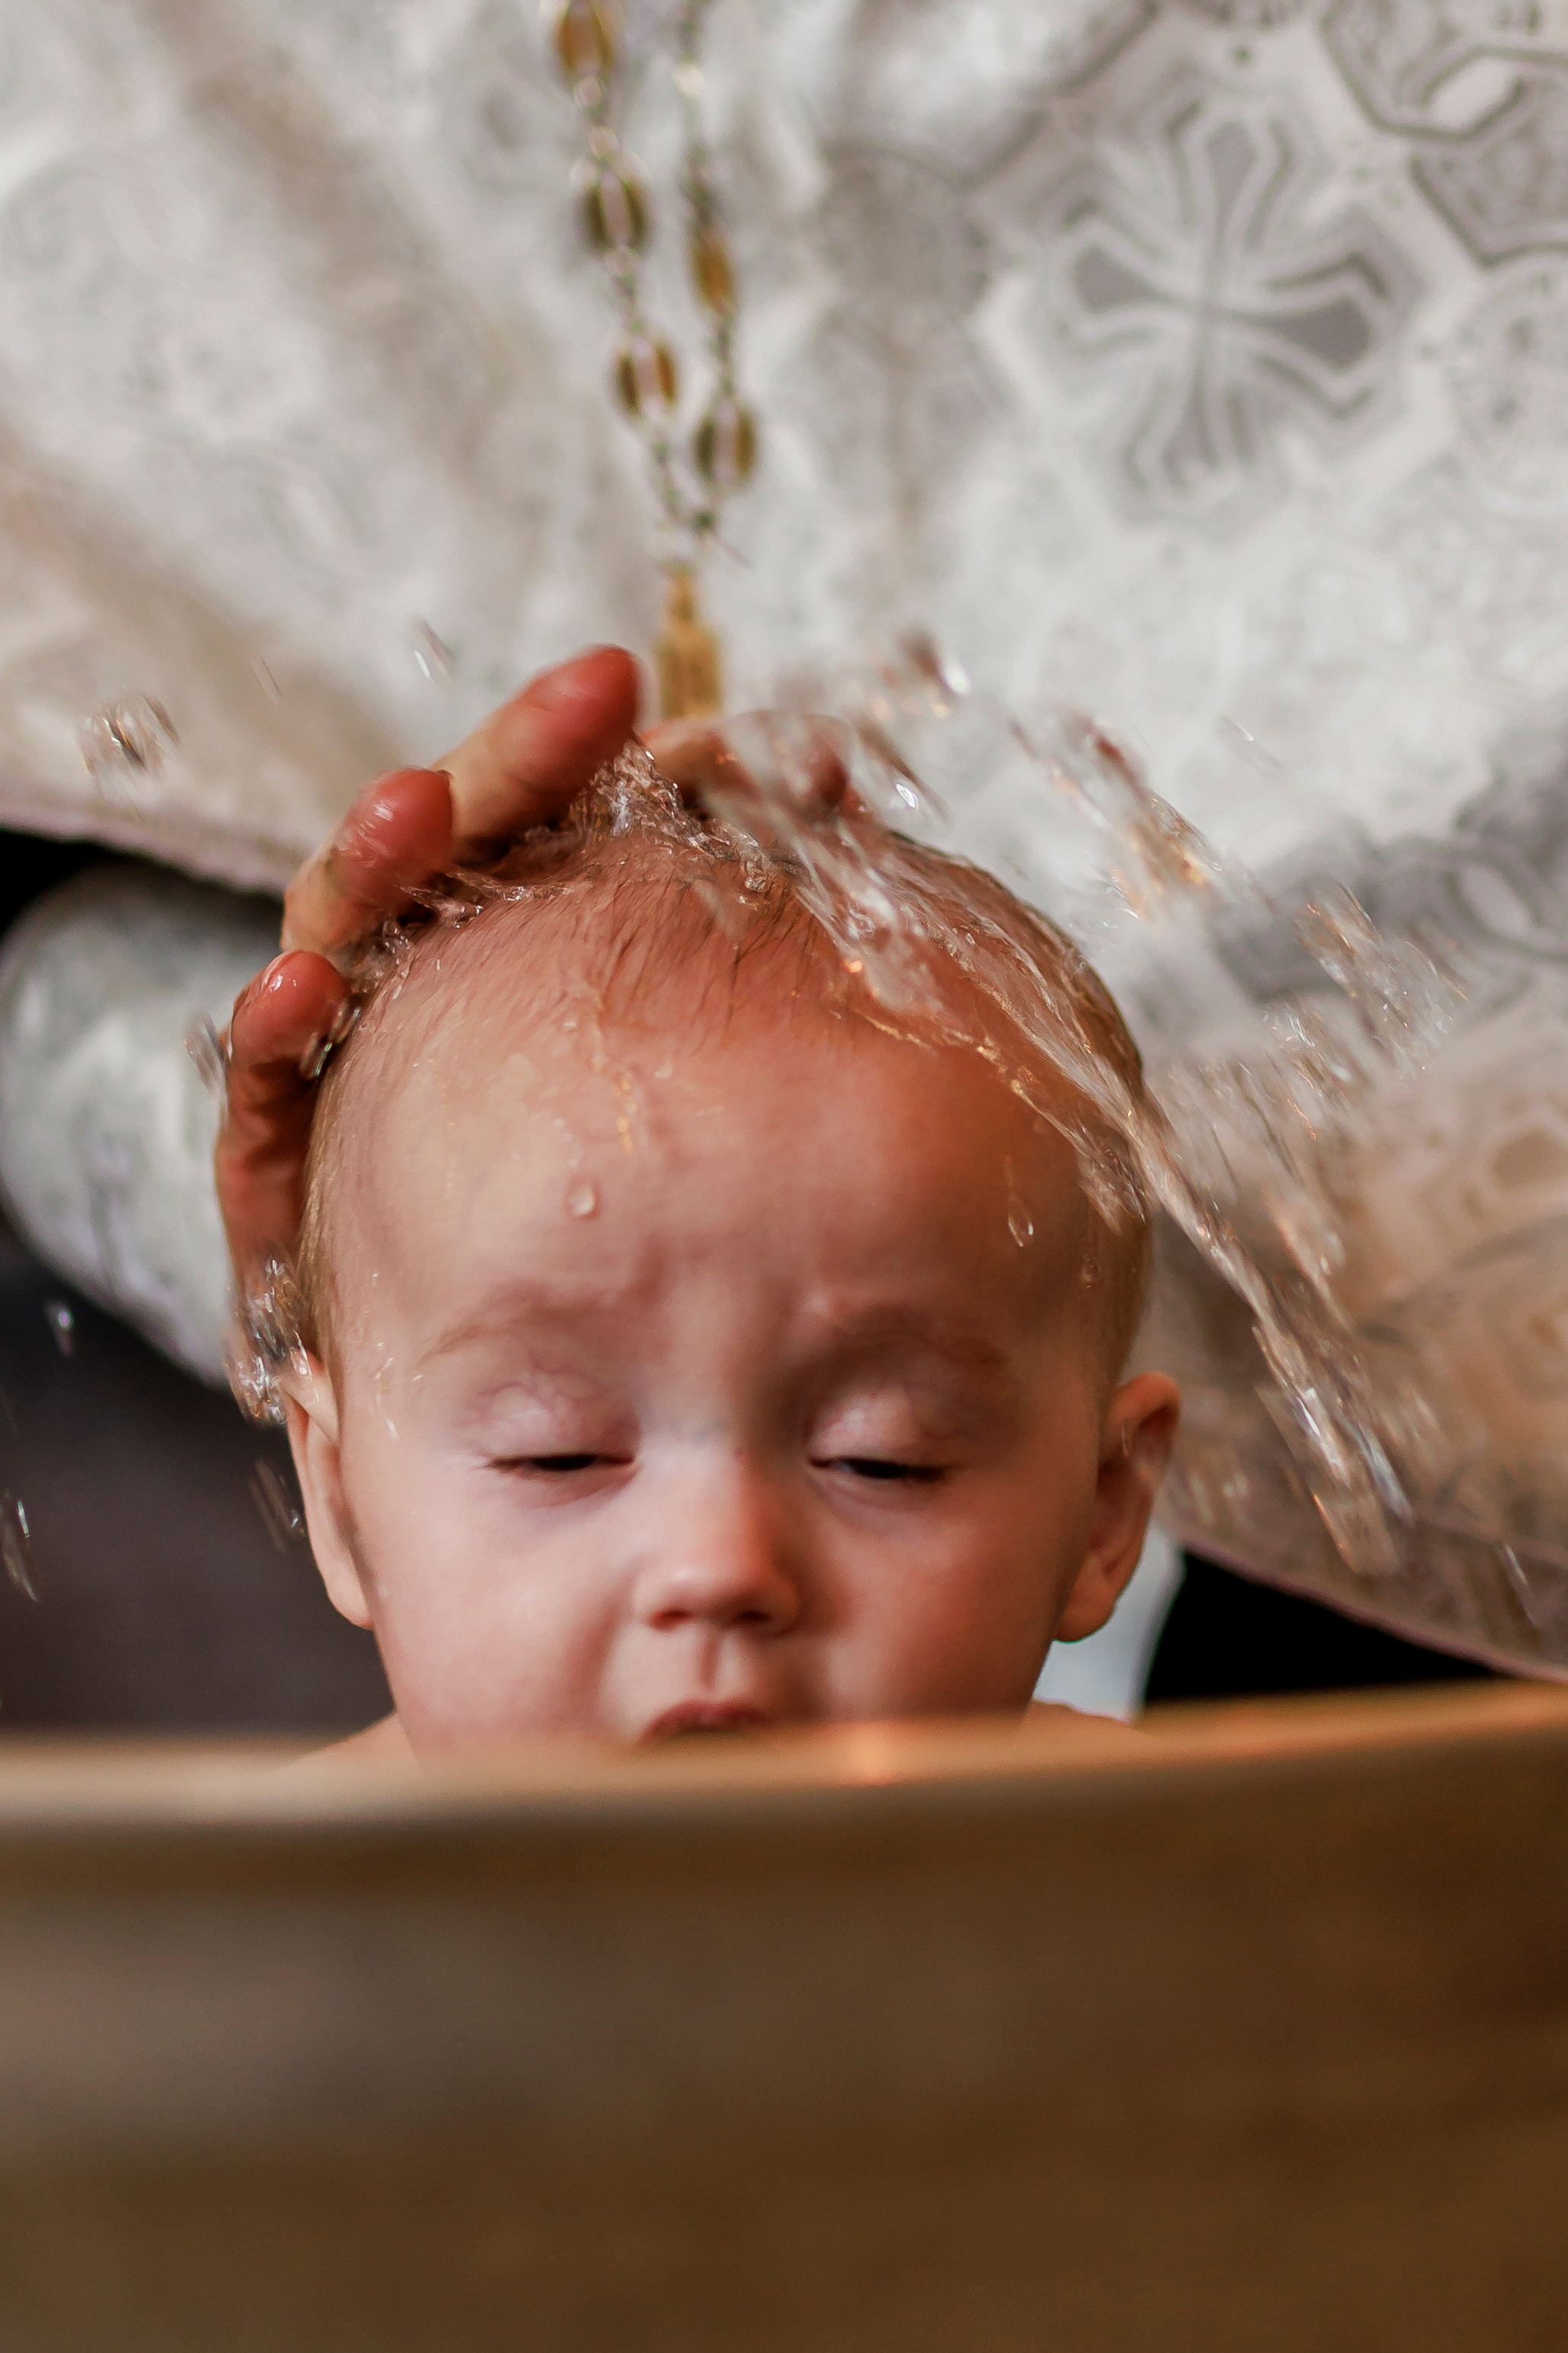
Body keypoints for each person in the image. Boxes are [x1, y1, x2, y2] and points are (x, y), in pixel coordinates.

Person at [219, 662, 1177, 1753]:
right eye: (559, 1452)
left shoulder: (1201, 1881)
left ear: (1102, 1516)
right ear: (342, 1502)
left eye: (882, 1459)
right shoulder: (258, 1906)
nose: (719, 1566)